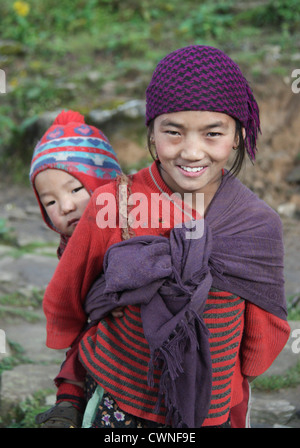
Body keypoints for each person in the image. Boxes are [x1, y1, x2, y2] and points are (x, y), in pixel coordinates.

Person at [41, 46, 290, 428]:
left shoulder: (256, 226)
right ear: (152, 133)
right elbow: (73, 287)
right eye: (173, 131)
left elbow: (264, 322)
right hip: (121, 400)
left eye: (213, 133)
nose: (192, 151)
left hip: (207, 406)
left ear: (238, 135)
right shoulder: (112, 203)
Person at [29, 109, 122, 427]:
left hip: (129, 333)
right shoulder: (68, 244)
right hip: (90, 332)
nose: (65, 206)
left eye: (75, 190)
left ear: (104, 185)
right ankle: (68, 404)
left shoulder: (129, 229)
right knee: (80, 346)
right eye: (50, 202)